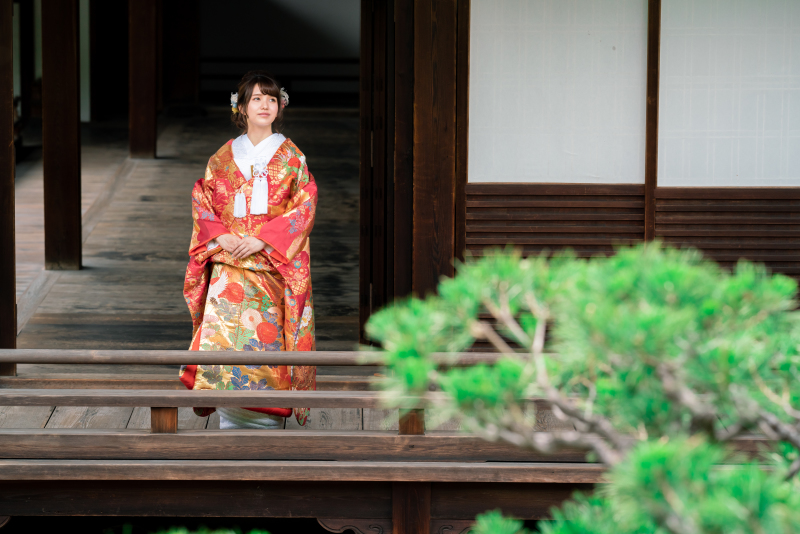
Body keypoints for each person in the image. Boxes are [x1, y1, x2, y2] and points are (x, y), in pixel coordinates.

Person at [179, 71, 317, 429]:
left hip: (270, 267)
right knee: (225, 342)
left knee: (264, 343)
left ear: (280, 106)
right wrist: (219, 235)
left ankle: (265, 420)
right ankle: (229, 419)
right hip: (228, 268)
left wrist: (263, 239)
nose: (265, 105)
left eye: (271, 99)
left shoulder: (292, 158)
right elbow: (202, 198)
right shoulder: (222, 158)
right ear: (241, 107)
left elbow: (304, 206)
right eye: (256, 98)